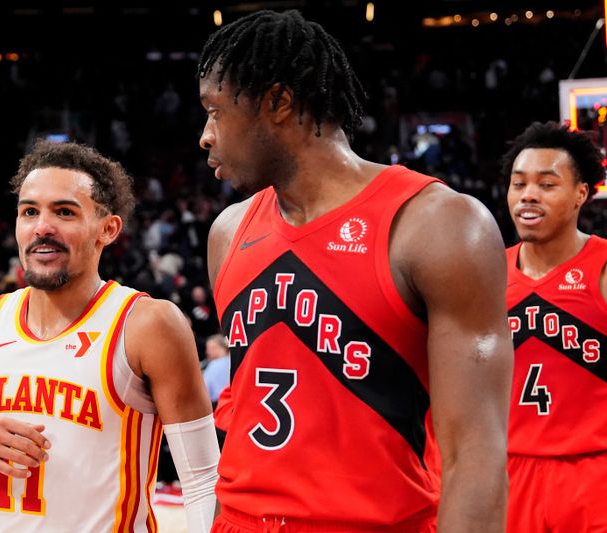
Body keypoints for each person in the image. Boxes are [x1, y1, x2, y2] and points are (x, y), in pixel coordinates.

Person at [197, 9, 512, 532]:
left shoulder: (437, 224)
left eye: (214, 111)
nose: (205, 136)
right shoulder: (228, 232)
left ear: (278, 103)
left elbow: (475, 456)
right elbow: (241, 415)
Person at [0, 139, 219, 532]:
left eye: (64, 212)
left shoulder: (147, 323)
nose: (42, 227)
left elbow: (204, 478)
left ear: (108, 229)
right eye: (29, 211)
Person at [501, 121, 607, 531]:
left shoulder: (601, 268)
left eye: (547, 184)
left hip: (593, 473)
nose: (528, 194)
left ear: (582, 193)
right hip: (507, 473)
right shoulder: (485, 273)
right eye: (518, 183)